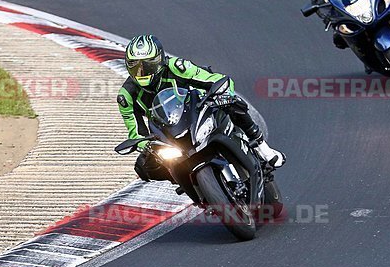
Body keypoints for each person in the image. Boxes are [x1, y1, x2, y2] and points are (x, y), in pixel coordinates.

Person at [117, 34, 285, 182]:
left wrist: (221, 93)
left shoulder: (177, 66)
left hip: (197, 109)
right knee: (143, 167)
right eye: (135, 66)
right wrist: (145, 145)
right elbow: (136, 132)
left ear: (160, 60)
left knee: (233, 103)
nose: (142, 71)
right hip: (168, 130)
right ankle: (191, 184)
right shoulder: (126, 96)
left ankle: (263, 148)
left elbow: (214, 79)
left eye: (148, 65)